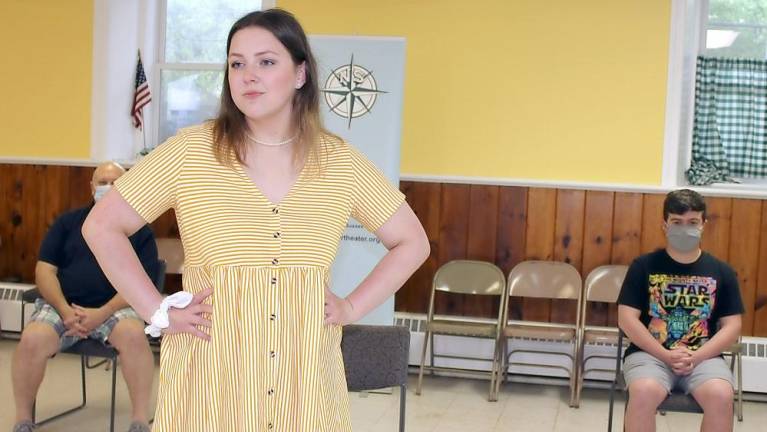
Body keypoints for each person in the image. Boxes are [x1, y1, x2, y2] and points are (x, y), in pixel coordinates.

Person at [82, 8, 430, 432]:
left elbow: (413, 242)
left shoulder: (340, 162)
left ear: (300, 74)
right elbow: (101, 226)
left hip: (303, 386)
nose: (248, 75)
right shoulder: (190, 152)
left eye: (266, 62)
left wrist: (351, 305)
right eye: (237, 63)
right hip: (211, 377)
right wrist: (156, 310)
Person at [12, 162, 158, 432]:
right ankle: (23, 420)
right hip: (62, 307)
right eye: (102, 181)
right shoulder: (67, 223)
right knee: (32, 338)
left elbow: (145, 283)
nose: (108, 187)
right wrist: (65, 310)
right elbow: (44, 270)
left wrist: (102, 312)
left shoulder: (140, 231)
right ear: (92, 187)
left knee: (134, 335)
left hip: (115, 309)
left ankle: (139, 421)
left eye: (115, 182)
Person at [618, 189, 743, 432]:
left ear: (703, 224)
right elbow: (626, 318)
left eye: (692, 222)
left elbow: (733, 325)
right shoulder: (643, 266)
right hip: (649, 355)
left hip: (704, 357)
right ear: (665, 225)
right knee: (643, 392)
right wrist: (665, 355)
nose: (685, 228)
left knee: (721, 395)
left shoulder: (722, 271)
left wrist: (696, 356)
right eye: (677, 222)